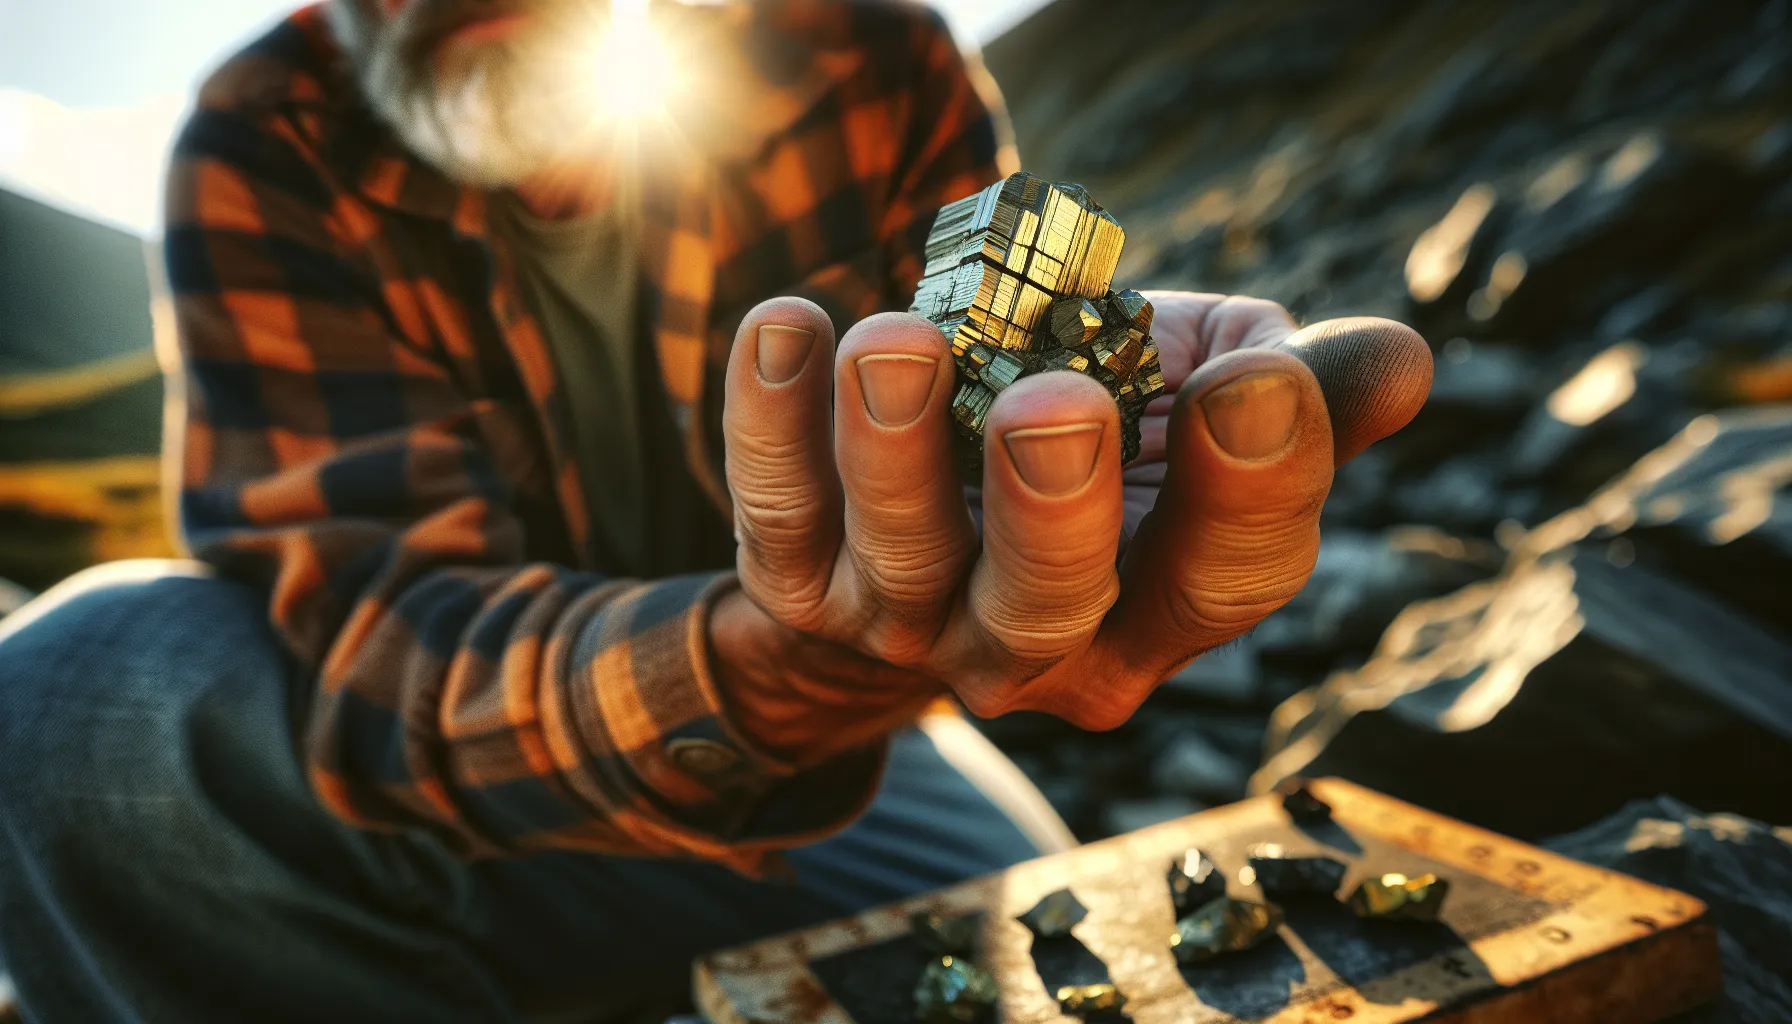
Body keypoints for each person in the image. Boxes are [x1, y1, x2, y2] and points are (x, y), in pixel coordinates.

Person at [0, 0, 1431, 1019]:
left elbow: (1002, 380)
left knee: (1069, 966)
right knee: (79, 709)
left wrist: (1069, 448)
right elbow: (382, 647)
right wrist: (763, 660)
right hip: (421, 802)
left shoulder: (859, 50)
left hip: (838, 773)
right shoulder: (268, 143)